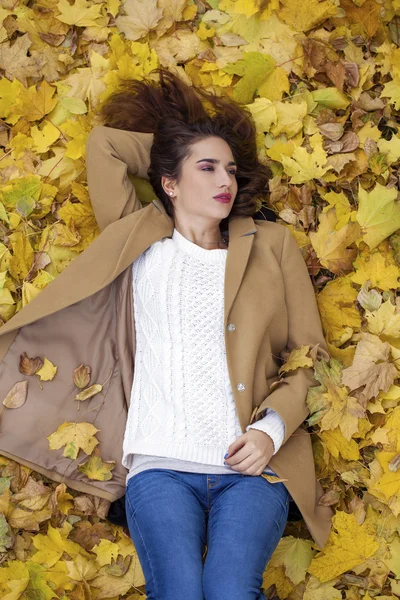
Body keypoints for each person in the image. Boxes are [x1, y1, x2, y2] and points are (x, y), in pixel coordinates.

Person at [0, 68, 333, 599]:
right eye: (207, 168)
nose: (225, 179)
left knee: (229, 591)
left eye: (231, 169)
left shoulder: (271, 245)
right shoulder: (139, 240)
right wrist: (179, 146)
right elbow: (105, 146)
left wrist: (271, 429)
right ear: (170, 183)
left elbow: (307, 357)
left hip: (255, 467)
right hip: (159, 468)